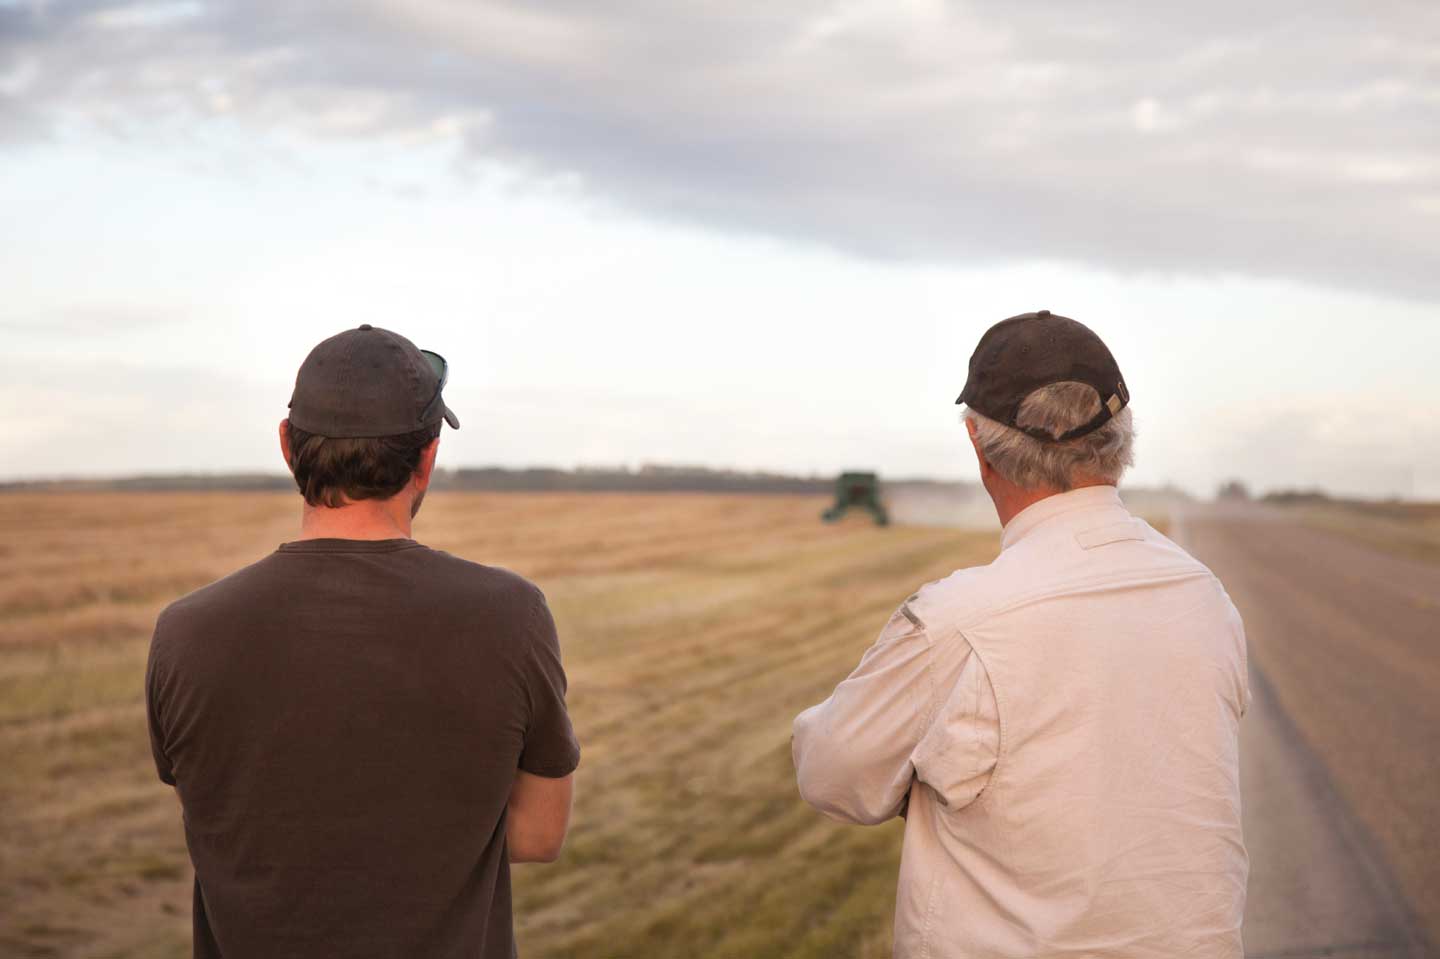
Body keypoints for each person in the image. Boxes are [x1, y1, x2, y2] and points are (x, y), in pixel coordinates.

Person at [792, 311, 1250, 958]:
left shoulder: (959, 622)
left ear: (980, 449)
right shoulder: (1206, 598)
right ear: (1122, 440)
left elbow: (829, 773)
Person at [145, 325, 580, 959]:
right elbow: (540, 835)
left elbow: (222, 821)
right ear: (427, 460)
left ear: (289, 447)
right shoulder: (512, 616)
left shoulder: (184, 631)